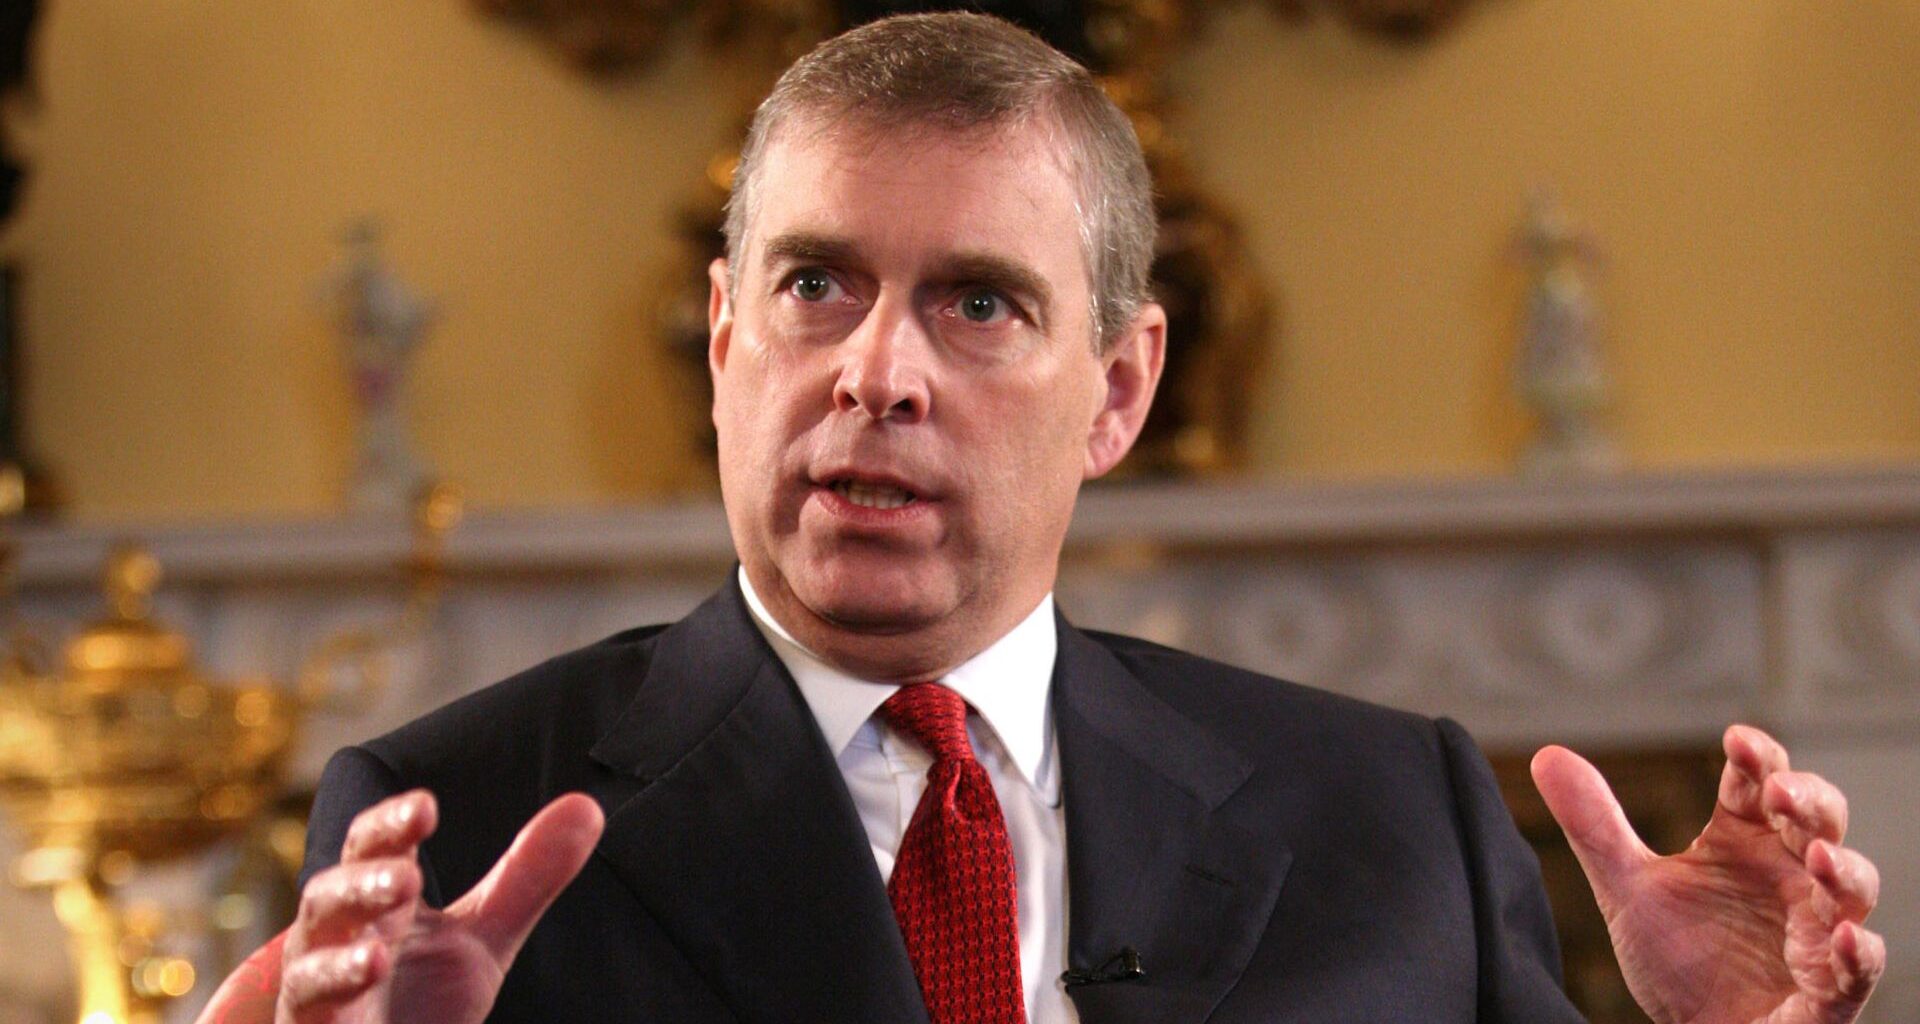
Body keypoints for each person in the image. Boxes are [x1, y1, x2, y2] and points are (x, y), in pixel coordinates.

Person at [202, 12, 1885, 1024]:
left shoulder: (1395, 821)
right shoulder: (463, 832)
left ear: (1121, 388)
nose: (878, 372)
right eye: (815, 285)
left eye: (981, 305)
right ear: (724, 339)